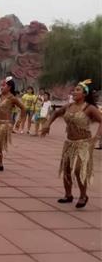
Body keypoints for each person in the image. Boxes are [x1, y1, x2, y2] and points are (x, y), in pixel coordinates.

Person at [41, 80, 102, 208]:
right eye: (74, 90)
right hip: (69, 143)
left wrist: (96, 137)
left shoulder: (89, 108)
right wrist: (47, 124)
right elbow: (56, 113)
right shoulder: (68, 106)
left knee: (79, 170)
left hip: (83, 143)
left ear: (84, 94)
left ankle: (83, 195)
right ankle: (68, 195)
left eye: (77, 90)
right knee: (66, 169)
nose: (74, 92)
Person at [0, 77, 25, 171]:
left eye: (4, 85)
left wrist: (19, 121)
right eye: (1, 85)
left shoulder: (12, 98)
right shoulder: (2, 95)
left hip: (5, 123)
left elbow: (23, 108)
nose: (1, 87)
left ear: (9, 87)